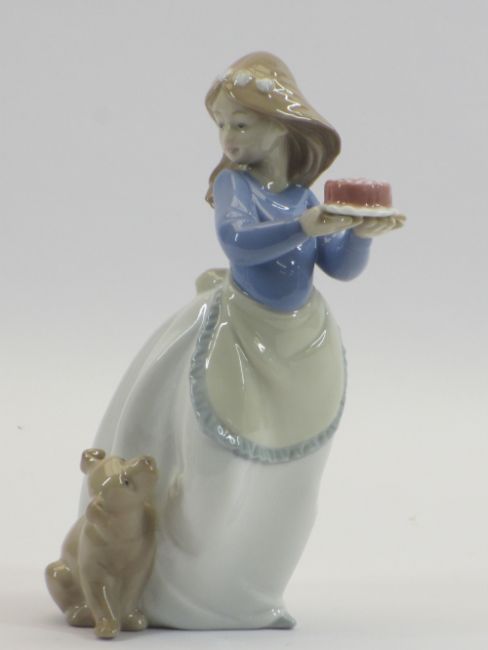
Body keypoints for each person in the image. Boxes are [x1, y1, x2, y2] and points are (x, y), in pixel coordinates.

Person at [81, 51, 402, 630]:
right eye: (222, 125)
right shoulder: (236, 185)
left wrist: (360, 234)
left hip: (301, 340)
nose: (228, 137)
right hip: (239, 331)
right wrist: (303, 227)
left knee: (293, 481)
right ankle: (176, 586)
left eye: (242, 124)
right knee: (219, 468)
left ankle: (251, 594)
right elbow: (237, 242)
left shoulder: (302, 196)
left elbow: (338, 267)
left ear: (281, 127)